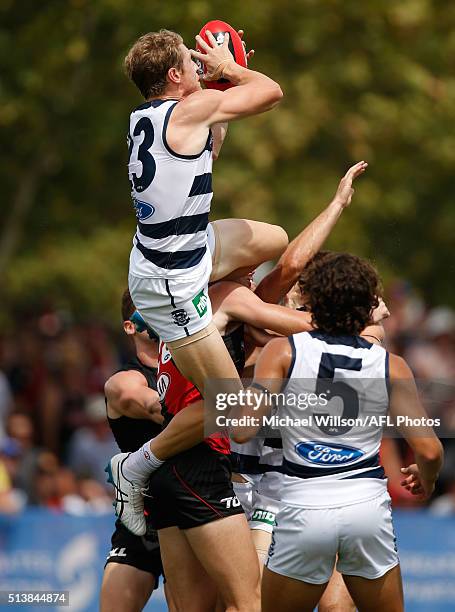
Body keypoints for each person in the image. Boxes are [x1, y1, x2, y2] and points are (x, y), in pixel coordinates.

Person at [108, 162, 369, 536]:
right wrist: (355, 323)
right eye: (247, 264)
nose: (255, 271)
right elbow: (292, 296)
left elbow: (292, 264)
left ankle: (138, 466)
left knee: (198, 597)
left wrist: (338, 204)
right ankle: (135, 467)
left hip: (213, 460)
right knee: (246, 595)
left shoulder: (200, 301)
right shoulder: (228, 296)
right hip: (218, 460)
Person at [231, 251, 443, 612]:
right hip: (366, 507)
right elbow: (430, 451)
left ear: (311, 301)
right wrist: (427, 480)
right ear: (368, 306)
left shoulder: (283, 351)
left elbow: (241, 430)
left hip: (304, 505)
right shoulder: (392, 366)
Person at [125, 27, 287, 402]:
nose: (199, 63)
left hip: (188, 248)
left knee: (275, 239)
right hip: (171, 283)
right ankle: (133, 464)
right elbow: (272, 92)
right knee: (237, 414)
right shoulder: (189, 111)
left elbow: (210, 147)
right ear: (174, 76)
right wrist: (231, 68)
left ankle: (224, 309)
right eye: (190, 58)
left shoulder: (144, 116)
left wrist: (224, 82)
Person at [101, 290, 174, 612]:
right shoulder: (123, 380)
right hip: (140, 521)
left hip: (190, 515)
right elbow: (154, 406)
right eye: (151, 308)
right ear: (130, 326)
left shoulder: (192, 372)